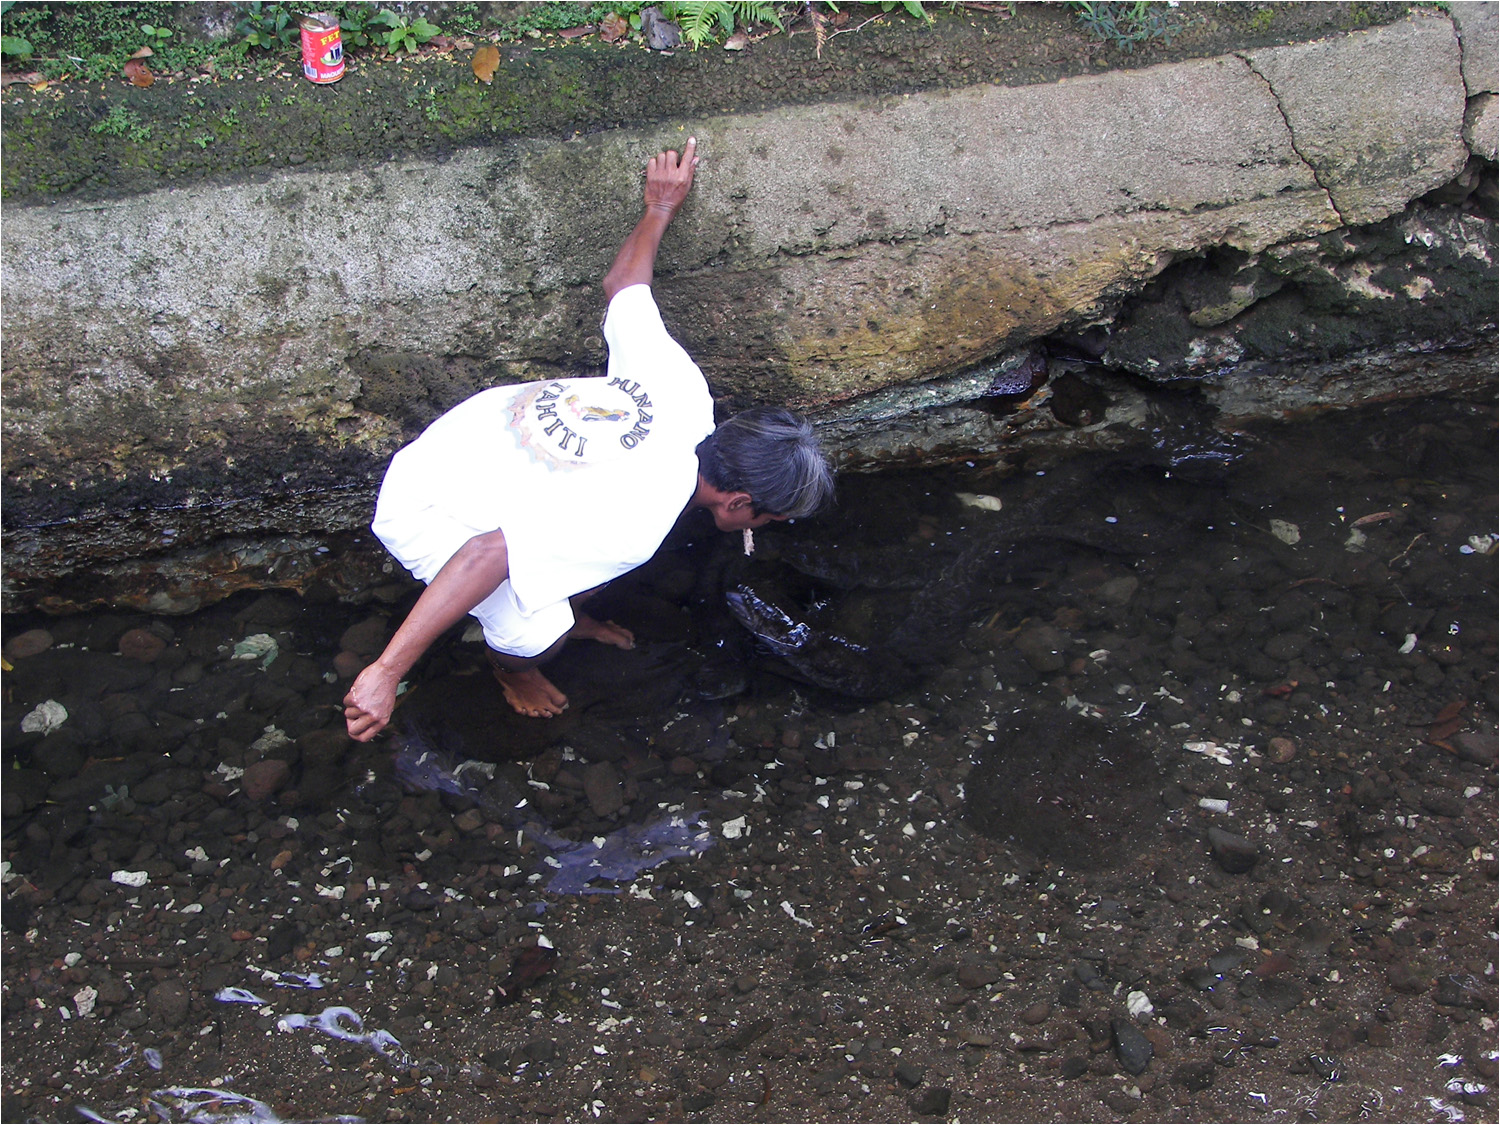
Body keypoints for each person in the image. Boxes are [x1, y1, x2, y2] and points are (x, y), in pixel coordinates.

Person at [343, 137, 834, 742]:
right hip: (423, 507)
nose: (774, 527)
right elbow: (484, 554)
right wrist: (387, 671)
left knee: (570, 555)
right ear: (737, 504)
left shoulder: (683, 391)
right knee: (535, 631)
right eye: (774, 518)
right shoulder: (636, 524)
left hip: (459, 445)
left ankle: (558, 599)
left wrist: (659, 209)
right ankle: (512, 669)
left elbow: (622, 286)